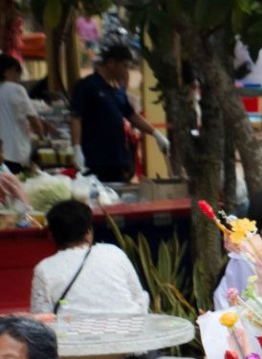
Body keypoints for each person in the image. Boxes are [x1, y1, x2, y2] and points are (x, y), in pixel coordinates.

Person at [30, 197, 150, 317]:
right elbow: (139, 298)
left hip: (73, 333)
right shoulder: (114, 253)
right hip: (129, 329)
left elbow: (42, 318)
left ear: (51, 236)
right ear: (89, 231)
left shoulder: (45, 268)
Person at [70, 43, 167, 182]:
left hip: (118, 159)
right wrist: (77, 147)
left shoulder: (118, 90)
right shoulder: (87, 86)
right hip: (95, 159)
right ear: (111, 63)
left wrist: (155, 133)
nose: (126, 71)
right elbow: (76, 117)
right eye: (124, 66)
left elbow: (132, 115)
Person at [0, 54, 40, 173]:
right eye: (18, 73)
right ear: (10, 71)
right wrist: (41, 135)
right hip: (16, 151)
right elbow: (33, 118)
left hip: (3, 152)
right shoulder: (17, 89)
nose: (19, 77)